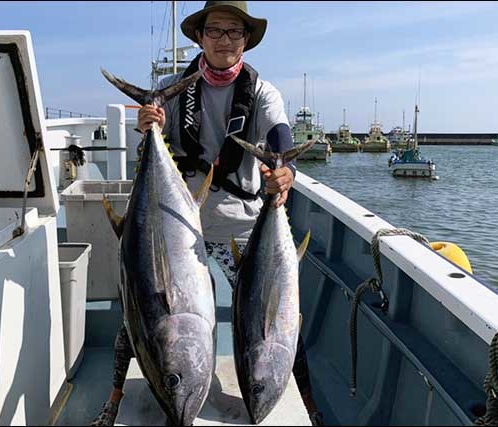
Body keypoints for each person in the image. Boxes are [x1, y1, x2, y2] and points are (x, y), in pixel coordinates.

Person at [92, 2, 324, 425]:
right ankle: (114, 396)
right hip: (178, 223)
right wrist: (148, 124)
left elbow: (279, 135)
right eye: (215, 31)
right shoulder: (173, 86)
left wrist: (284, 169)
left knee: (278, 323)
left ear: (246, 41)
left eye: (235, 33)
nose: (224, 41)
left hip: (243, 224)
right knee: (140, 312)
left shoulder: (261, 92)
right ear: (200, 37)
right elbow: (149, 137)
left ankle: (309, 405)